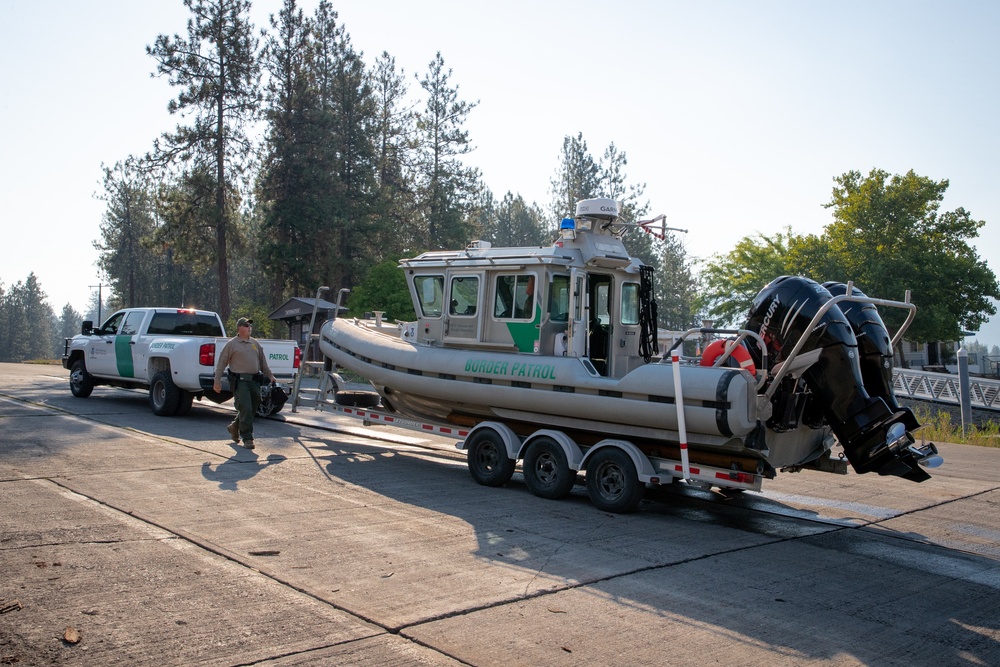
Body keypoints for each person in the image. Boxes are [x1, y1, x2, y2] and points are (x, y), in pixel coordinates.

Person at [213, 317, 276, 450]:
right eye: (246, 325)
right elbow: (221, 363)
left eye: (249, 326)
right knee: (245, 407)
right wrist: (217, 381)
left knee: (254, 405)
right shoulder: (232, 344)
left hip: (254, 380)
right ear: (239, 328)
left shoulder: (255, 343)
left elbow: (263, 362)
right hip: (240, 381)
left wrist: (270, 375)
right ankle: (247, 437)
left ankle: (234, 426)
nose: (249, 328)